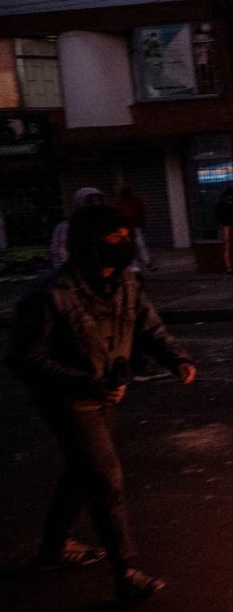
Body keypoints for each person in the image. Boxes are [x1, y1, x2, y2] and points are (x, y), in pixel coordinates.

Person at [7, 204, 197, 604]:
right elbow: (25, 359)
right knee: (106, 479)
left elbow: (149, 327)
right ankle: (125, 569)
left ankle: (53, 549)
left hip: (107, 395)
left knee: (82, 472)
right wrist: (85, 384)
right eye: (114, 237)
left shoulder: (126, 283)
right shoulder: (50, 294)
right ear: (89, 242)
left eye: (126, 237)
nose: (123, 244)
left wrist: (176, 357)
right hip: (68, 401)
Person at [50, 187, 105, 269]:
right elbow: (59, 252)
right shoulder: (66, 227)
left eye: (97, 202)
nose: (95, 205)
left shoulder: (104, 226)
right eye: (90, 202)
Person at [114, 185, 154, 272]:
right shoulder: (119, 203)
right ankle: (135, 265)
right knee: (130, 246)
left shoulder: (136, 201)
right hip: (125, 228)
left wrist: (143, 225)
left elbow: (141, 214)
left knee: (140, 245)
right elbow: (116, 216)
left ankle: (147, 262)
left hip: (135, 226)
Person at [214, 187, 233, 274]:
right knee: (230, 247)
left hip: (228, 226)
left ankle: (231, 267)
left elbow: (221, 217)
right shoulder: (229, 205)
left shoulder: (223, 205)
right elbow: (228, 217)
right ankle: (231, 267)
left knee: (229, 247)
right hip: (230, 225)